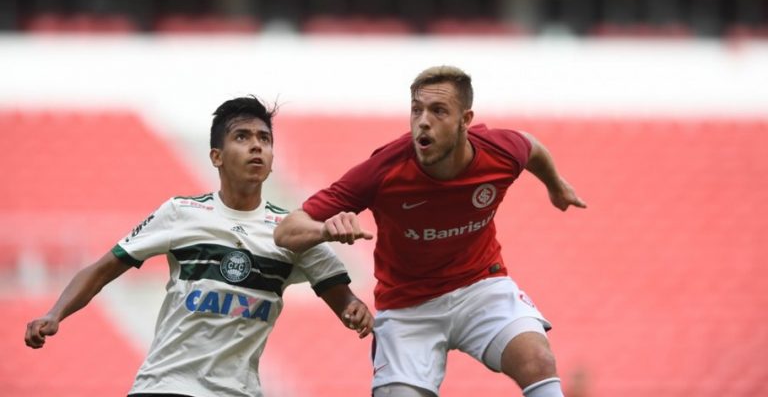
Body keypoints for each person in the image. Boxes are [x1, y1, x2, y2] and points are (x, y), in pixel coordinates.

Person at [25, 96, 373, 397]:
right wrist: (54, 314)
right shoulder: (181, 213)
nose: (257, 146)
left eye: (264, 139)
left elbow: (343, 300)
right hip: (165, 386)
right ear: (216, 156)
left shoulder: (291, 232)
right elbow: (102, 269)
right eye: (243, 136)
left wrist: (354, 310)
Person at [274, 66, 586, 397]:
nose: (423, 121)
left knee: (537, 358)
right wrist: (325, 229)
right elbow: (286, 232)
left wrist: (556, 185)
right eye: (416, 110)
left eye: (438, 111)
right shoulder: (383, 170)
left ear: (466, 120)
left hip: (480, 287)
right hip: (408, 307)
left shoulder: (500, 151)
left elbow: (531, 147)